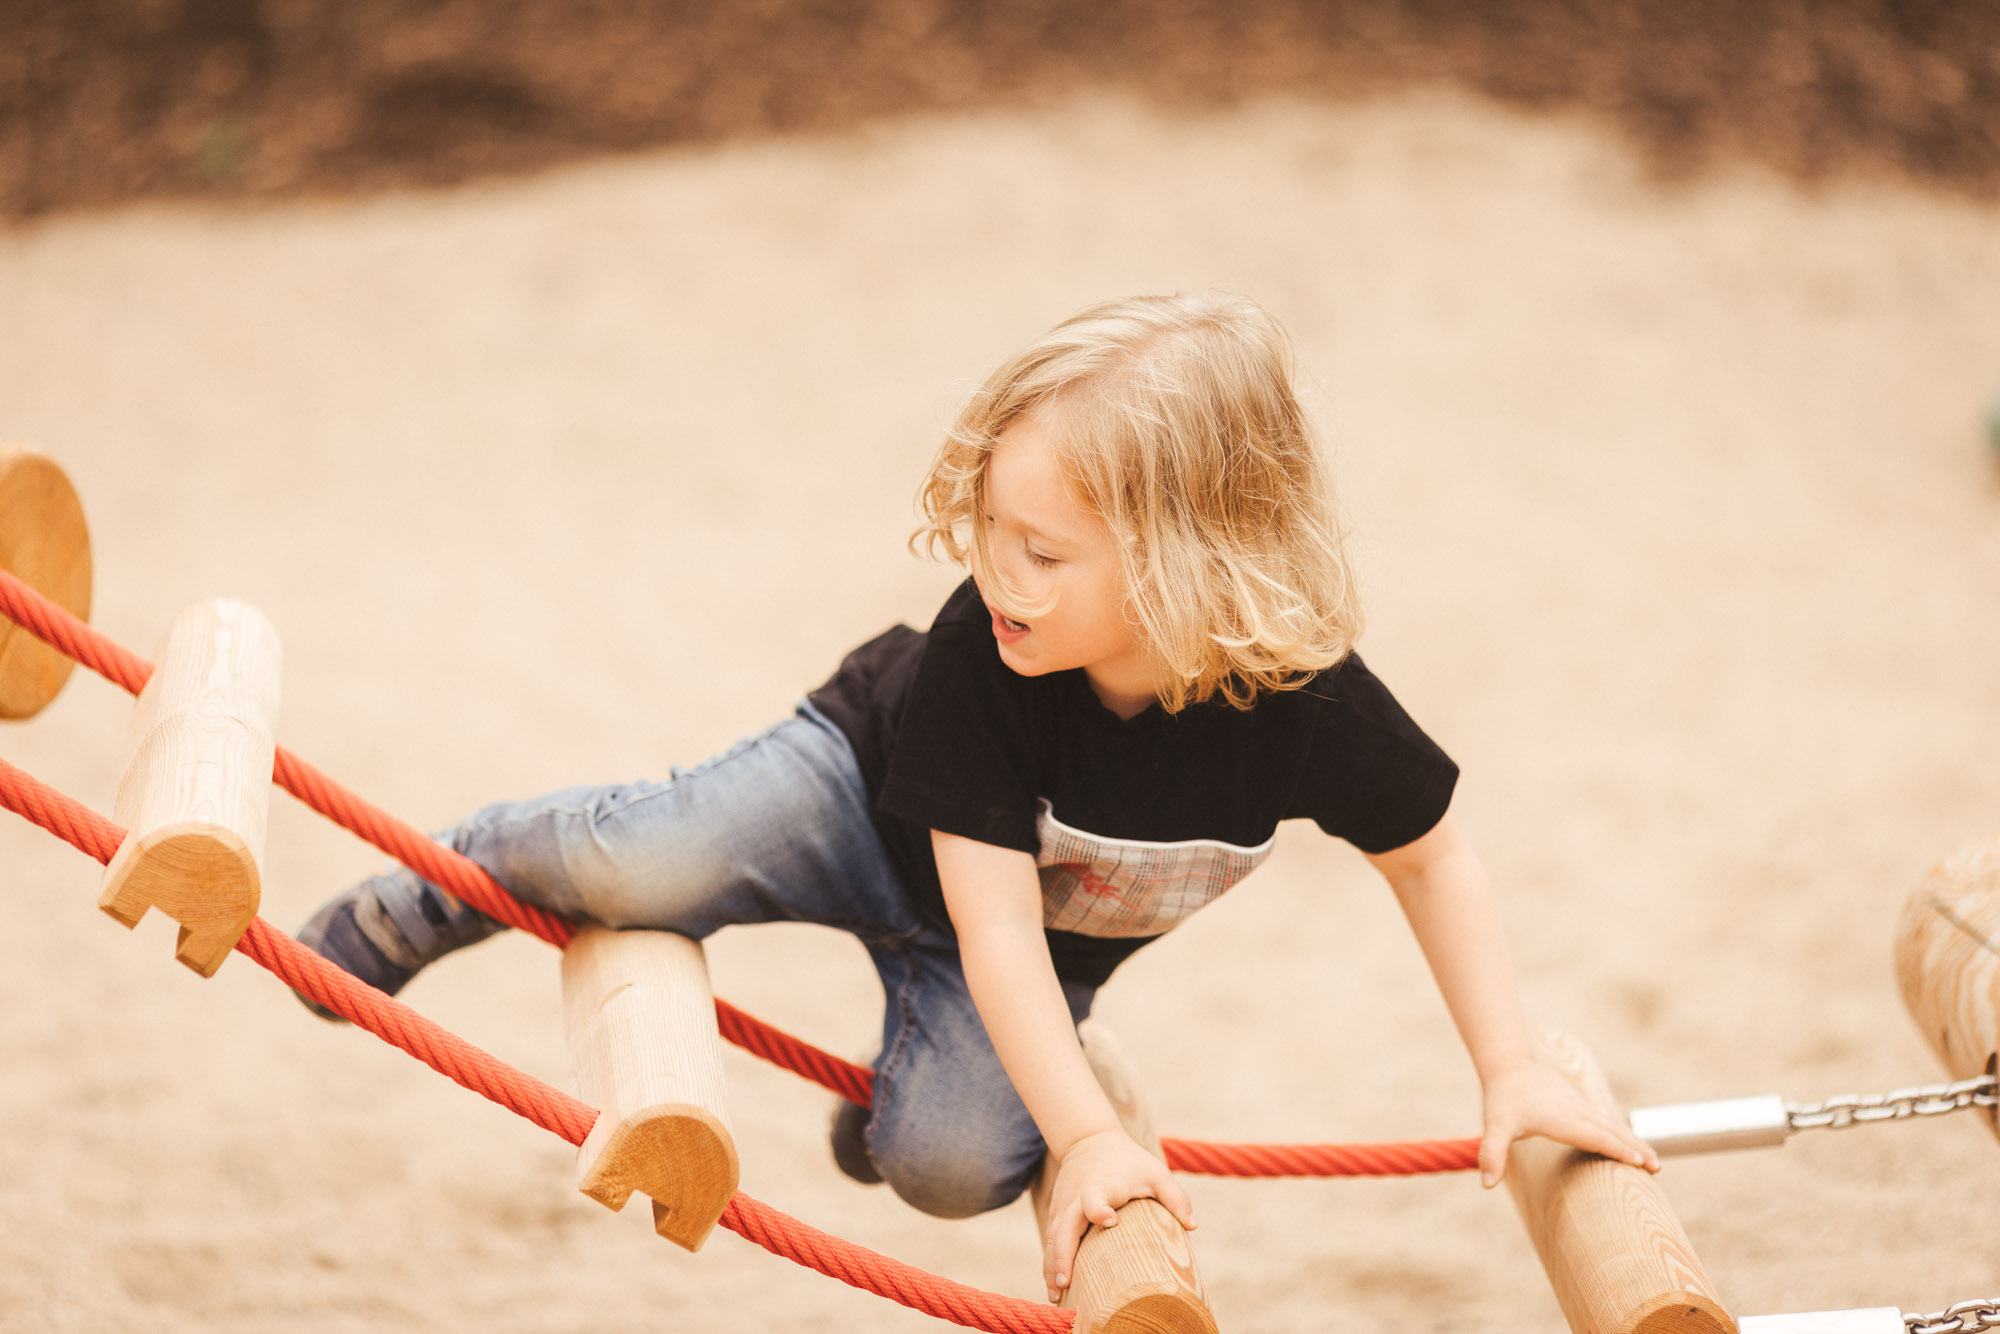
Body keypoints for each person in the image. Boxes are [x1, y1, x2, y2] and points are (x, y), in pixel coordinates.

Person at [294, 291, 1658, 1304]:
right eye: (992, 527)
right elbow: (996, 923)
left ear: (1191, 563)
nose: (996, 570)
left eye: (1043, 549)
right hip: (857, 803)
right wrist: (1087, 1134)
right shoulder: (980, 650)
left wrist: (1511, 1066)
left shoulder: (1305, 698)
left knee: (948, 1161)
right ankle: (427, 889)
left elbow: (1433, 860)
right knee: (649, 862)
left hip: (1005, 946)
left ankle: (894, 1086)